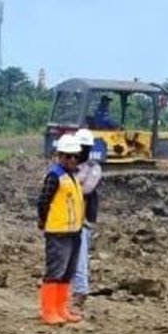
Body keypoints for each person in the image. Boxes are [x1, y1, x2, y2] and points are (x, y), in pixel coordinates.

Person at [36, 134, 86, 325]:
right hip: (58, 232)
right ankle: (49, 311)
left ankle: (61, 309)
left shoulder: (72, 177)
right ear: (60, 156)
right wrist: (43, 220)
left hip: (74, 231)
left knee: (67, 272)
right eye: (68, 156)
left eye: (75, 156)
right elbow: (43, 201)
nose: (72, 159)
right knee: (55, 271)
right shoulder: (55, 176)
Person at [70, 129, 102, 317]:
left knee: (80, 257)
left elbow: (86, 189)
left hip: (83, 219)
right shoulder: (69, 166)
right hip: (66, 218)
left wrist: (68, 184)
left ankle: (80, 292)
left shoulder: (93, 168)